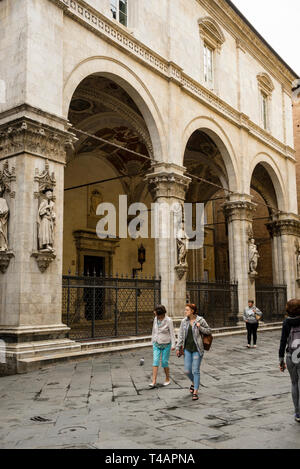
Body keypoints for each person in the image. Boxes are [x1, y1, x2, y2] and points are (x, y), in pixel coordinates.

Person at [176, 304, 211, 401]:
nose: (185, 312)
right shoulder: (184, 321)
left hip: (197, 349)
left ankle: (195, 391)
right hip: (187, 349)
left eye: (187, 310)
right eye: (185, 310)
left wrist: (200, 327)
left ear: (192, 311)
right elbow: (181, 335)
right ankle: (194, 382)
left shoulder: (200, 320)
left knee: (195, 370)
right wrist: (178, 347)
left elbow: (209, 331)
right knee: (187, 370)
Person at [279, 299, 300, 423]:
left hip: (291, 355)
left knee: (294, 383)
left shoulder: (286, 322)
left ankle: (297, 413)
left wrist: (281, 360)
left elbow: (283, 341)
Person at [150, 305, 176, 388]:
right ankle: (153, 381)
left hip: (166, 344)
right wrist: (152, 341)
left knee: (164, 362)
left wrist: (173, 345)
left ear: (160, 313)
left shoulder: (168, 320)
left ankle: (167, 378)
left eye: (156, 312)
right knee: (155, 361)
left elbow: (172, 333)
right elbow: (153, 330)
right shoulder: (155, 319)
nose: (154, 314)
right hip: (156, 343)